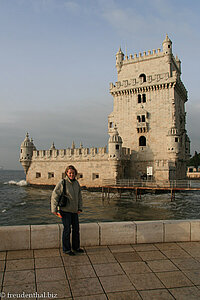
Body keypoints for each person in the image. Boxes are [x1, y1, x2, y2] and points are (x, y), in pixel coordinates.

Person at [51, 165, 84, 255]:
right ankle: (67, 249)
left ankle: (76, 247)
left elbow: (79, 196)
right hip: (65, 210)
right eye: (70, 173)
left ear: (75, 173)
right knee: (67, 230)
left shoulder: (76, 183)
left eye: (73, 173)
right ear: (66, 173)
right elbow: (55, 195)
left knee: (76, 230)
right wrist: (54, 209)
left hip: (74, 211)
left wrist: (80, 208)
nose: (71, 175)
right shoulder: (63, 182)